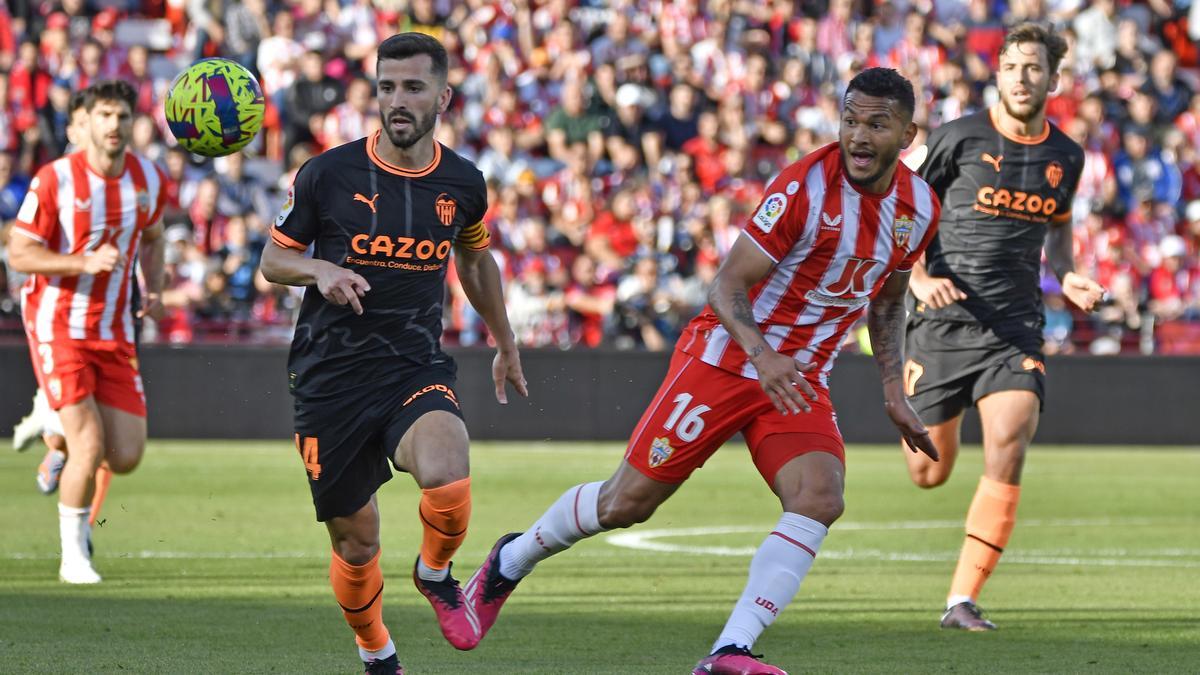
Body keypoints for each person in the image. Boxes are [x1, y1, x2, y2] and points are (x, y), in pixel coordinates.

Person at [462, 68, 940, 674]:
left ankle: (729, 650)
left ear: (908, 133)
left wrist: (893, 390)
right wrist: (762, 356)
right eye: (851, 120)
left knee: (820, 496)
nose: (859, 136)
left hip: (797, 380)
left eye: (877, 124)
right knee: (626, 503)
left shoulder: (919, 208)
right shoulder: (803, 190)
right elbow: (726, 285)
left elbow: (890, 300)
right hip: (726, 360)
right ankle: (509, 561)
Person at [259, 33, 528, 675]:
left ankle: (434, 573)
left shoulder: (464, 182)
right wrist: (320, 270)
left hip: (411, 364)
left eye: (412, 87)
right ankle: (377, 651)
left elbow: (472, 256)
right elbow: (273, 259)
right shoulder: (328, 173)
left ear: (443, 96)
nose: (397, 100)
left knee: (448, 467)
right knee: (357, 544)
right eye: (386, 87)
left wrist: (505, 339)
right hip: (330, 379)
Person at [900, 23, 1106, 631]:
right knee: (928, 473)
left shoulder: (1066, 155)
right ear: (998, 74)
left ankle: (959, 600)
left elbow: (1060, 236)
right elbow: (903, 212)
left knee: (1011, 438)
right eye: (1012, 66)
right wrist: (915, 278)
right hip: (940, 325)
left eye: (1034, 67)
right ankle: (943, 417)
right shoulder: (958, 138)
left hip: (1014, 330)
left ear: (1053, 79)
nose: (1022, 77)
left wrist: (1067, 277)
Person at [7, 79, 167, 584]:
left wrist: (155, 289)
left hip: (115, 330)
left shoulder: (148, 179)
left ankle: (49, 422)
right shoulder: (55, 180)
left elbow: (156, 236)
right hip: (58, 324)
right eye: (104, 115)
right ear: (83, 125)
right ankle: (74, 557)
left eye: (121, 115)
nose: (114, 124)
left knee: (127, 455)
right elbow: (19, 253)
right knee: (90, 445)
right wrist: (82, 262)